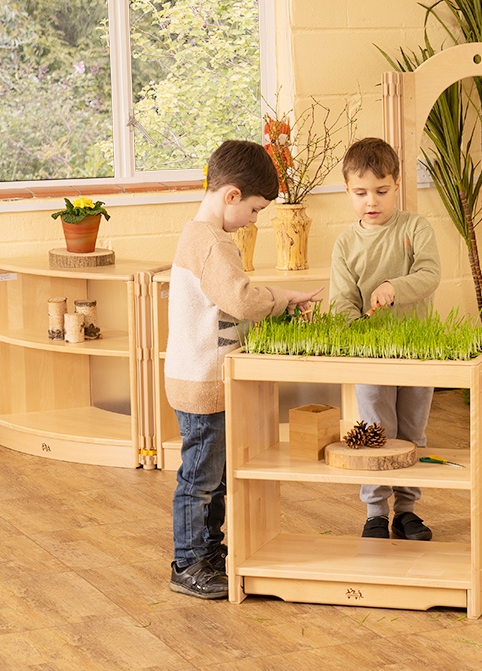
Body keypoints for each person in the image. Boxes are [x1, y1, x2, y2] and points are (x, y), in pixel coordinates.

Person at [165, 140, 322, 598]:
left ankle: (208, 552)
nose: (254, 220)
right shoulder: (212, 243)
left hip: (205, 380)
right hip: (203, 384)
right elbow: (241, 298)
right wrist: (282, 298)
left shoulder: (201, 236)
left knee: (212, 478)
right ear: (231, 196)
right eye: (254, 210)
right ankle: (189, 562)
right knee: (200, 480)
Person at [329, 137, 442, 541]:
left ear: (396, 185)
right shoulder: (345, 243)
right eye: (360, 193)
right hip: (370, 355)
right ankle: (375, 512)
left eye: (380, 191)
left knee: (413, 431)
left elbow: (429, 275)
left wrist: (394, 286)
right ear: (347, 191)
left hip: (417, 352)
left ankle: (407, 510)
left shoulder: (414, 227)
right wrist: (352, 327)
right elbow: (342, 299)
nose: (370, 201)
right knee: (374, 432)